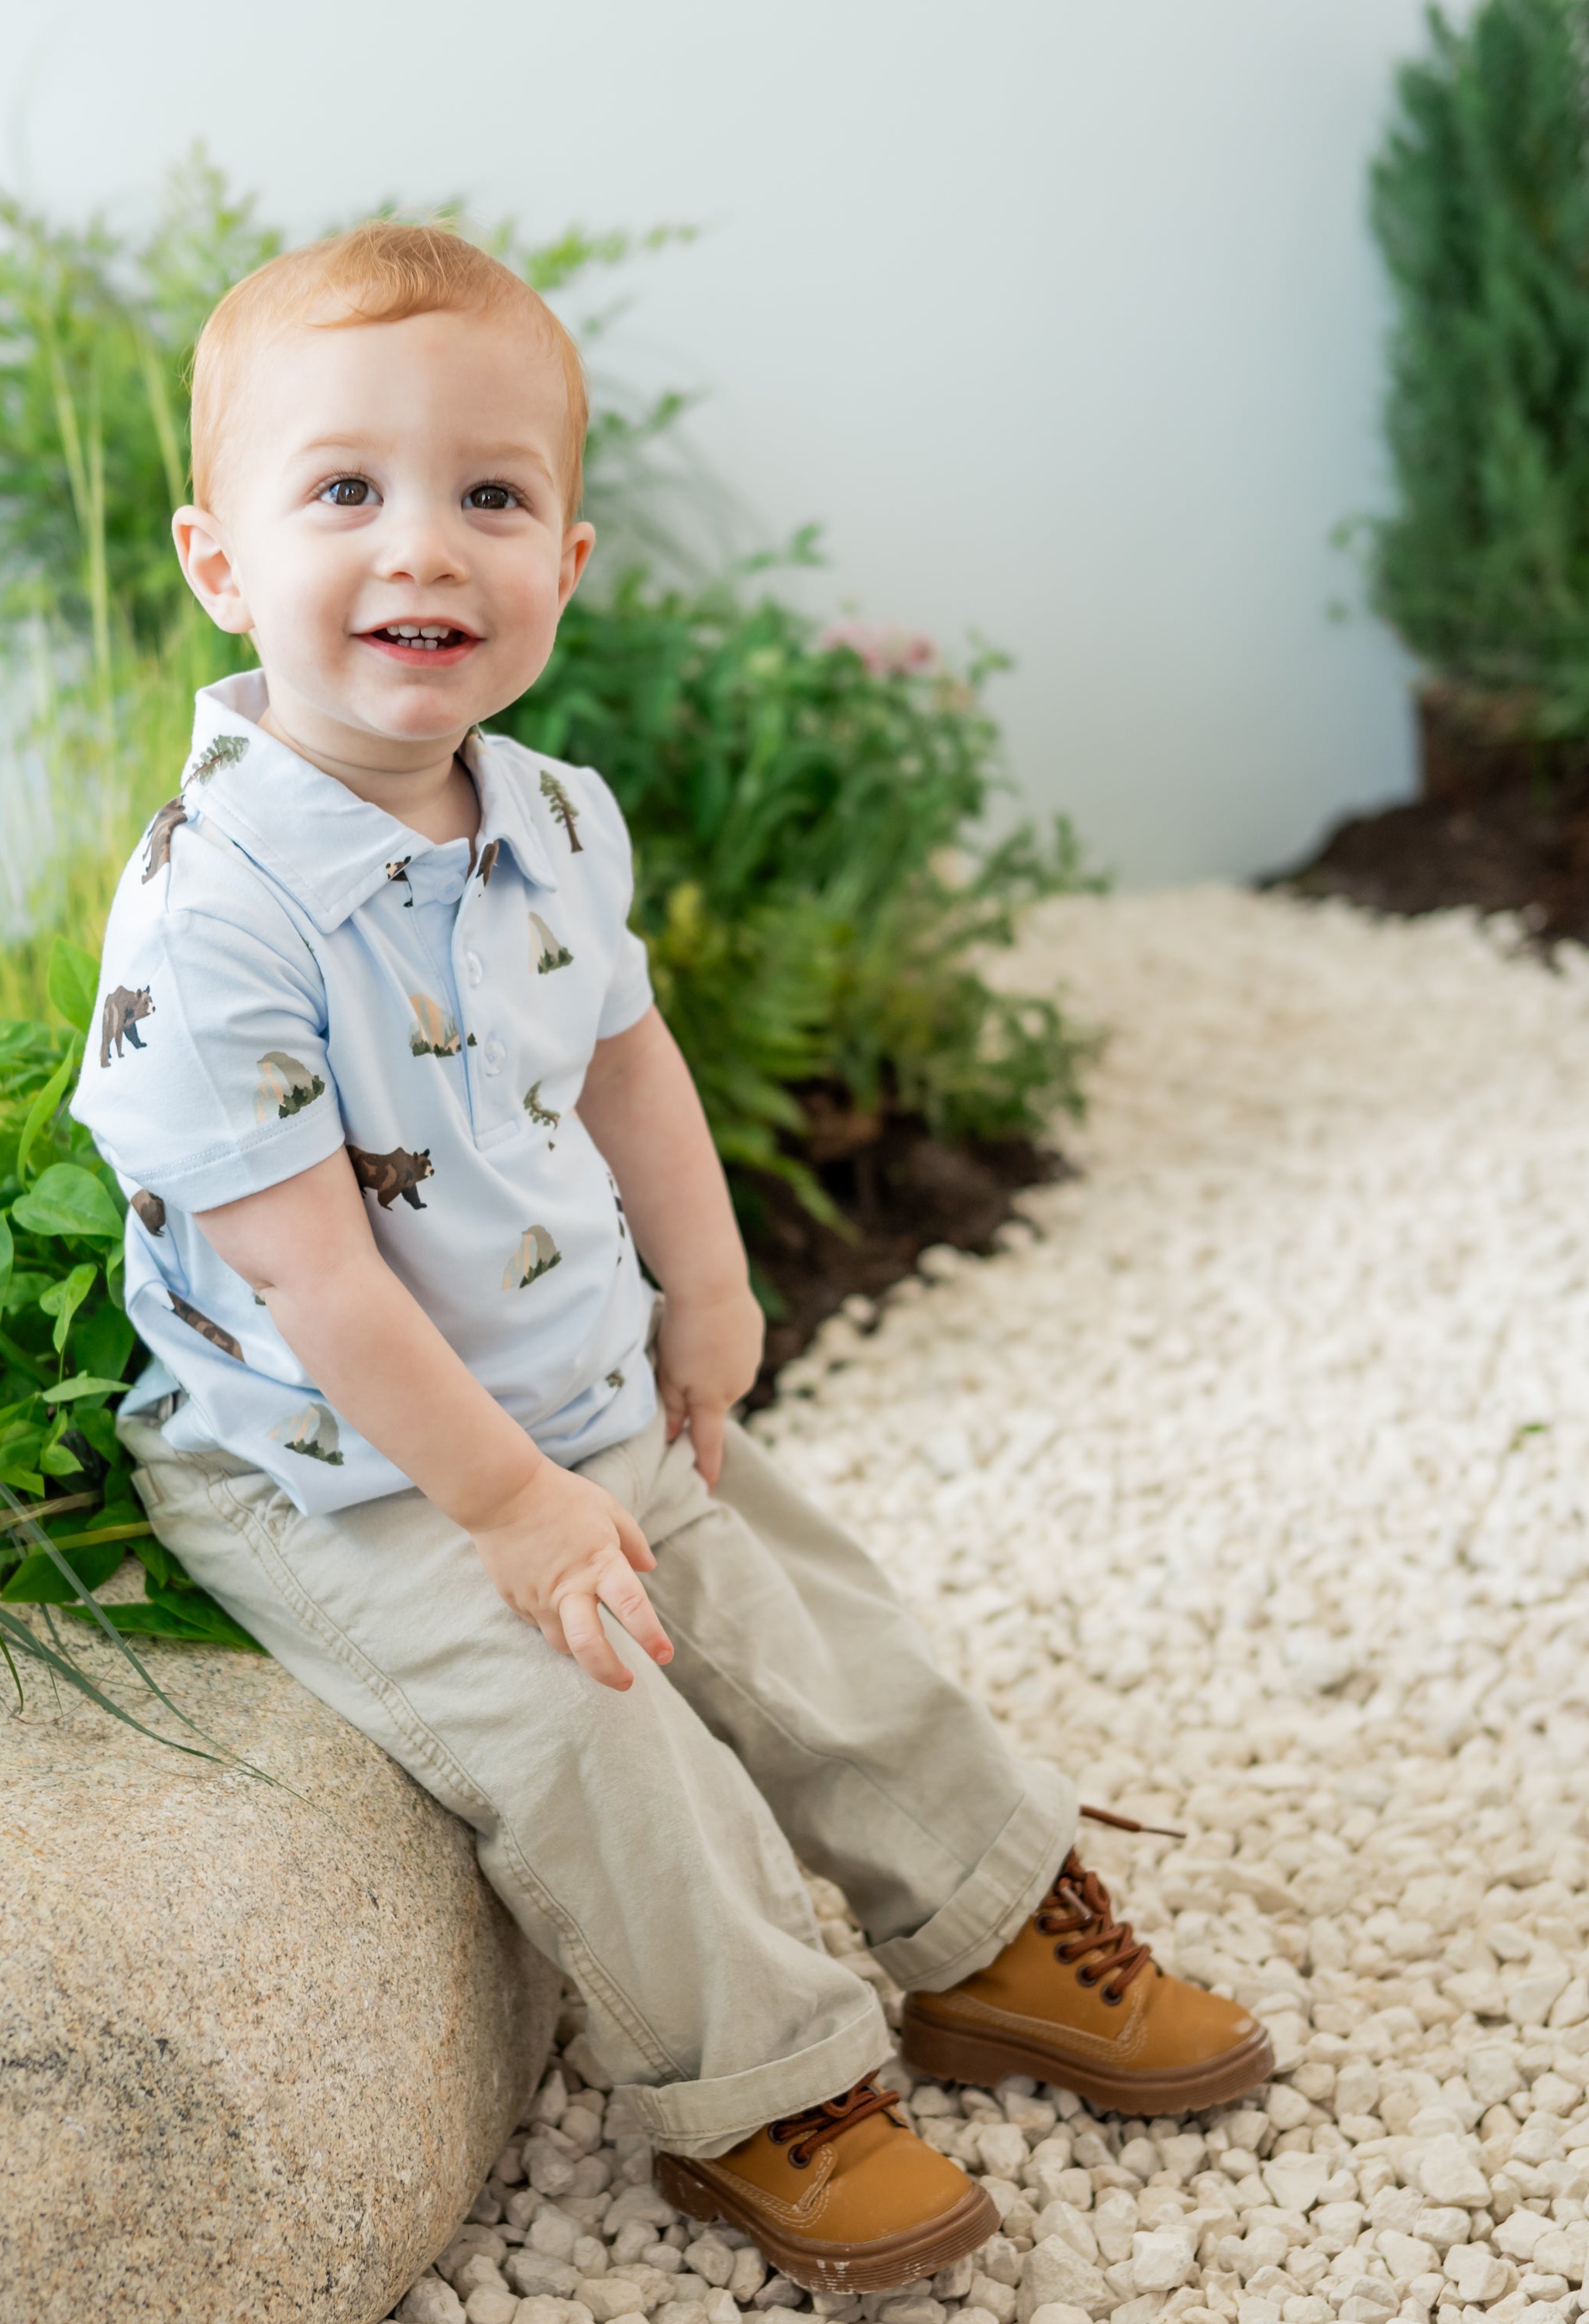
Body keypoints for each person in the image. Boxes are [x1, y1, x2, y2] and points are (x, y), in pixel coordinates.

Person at [68, 220, 1267, 2293]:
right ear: (220, 565)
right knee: (596, 1737)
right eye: (345, 491)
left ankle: (990, 1933)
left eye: (490, 496)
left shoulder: (549, 819)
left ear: (567, 564)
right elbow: (323, 1281)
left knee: (812, 1630)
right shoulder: (217, 917)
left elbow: (629, 1058)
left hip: (576, 1388)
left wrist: (706, 1297)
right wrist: (516, 1509)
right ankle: (762, 2091)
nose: (424, 548)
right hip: (343, 1465)